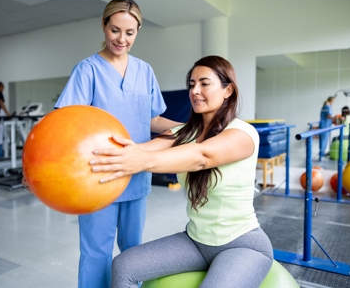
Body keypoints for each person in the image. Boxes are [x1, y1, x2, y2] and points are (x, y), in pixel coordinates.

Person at [23, 0, 180, 288]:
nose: (122, 39)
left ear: (138, 31)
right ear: (104, 26)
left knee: (134, 251)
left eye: (130, 32)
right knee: (96, 252)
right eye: (115, 30)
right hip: (96, 176)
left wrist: (186, 128)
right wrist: (36, 165)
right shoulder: (87, 70)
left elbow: (151, 120)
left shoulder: (144, 71)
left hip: (136, 173)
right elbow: (63, 126)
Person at [90, 55, 274, 288]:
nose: (195, 90)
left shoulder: (243, 133)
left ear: (228, 90)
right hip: (195, 242)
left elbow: (201, 156)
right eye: (192, 84)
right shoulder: (181, 132)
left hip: (242, 244)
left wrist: (142, 161)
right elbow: (137, 150)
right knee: (123, 266)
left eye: (204, 83)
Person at [319, 96, 336, 160]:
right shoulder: (326, 106)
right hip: (324, 126)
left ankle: (322, 153)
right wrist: (334, 118)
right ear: (331, 100)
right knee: (323, 140)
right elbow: (328, 116)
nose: (333, 103)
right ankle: (321, 154)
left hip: (327, 125)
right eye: (333, 101)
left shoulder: (329, 106)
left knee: (325, 140)